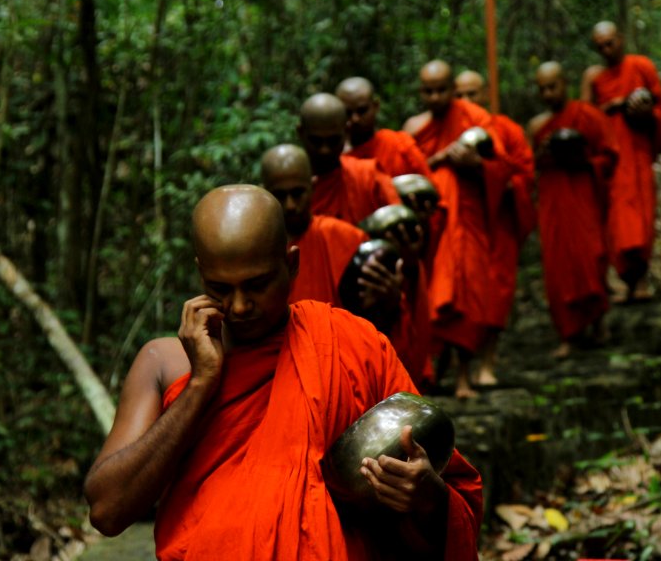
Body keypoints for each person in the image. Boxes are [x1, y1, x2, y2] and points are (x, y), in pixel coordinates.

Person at [83, 185, 483, 560]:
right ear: (200, 272)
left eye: (256, 285)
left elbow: (448, 494)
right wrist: (202, 384)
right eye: (220, 287)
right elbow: (107, 509)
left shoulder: (348, 345)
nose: (238, 306)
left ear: (290, 264)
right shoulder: (163, 361)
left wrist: (429, 498)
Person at [403, 60, 511, 399]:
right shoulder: (414, 127)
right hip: (429, 227)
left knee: (464, 297)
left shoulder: (476, 119)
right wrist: (442, 158)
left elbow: (501, 168)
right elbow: (403, 176)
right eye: (428, 91)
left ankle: (465, 375)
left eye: (441, 90)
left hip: (467, 222)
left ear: (452, 89)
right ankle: (430, 372)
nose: (434, 97)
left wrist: (476, 165)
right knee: (426, 297)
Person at [527, 62, 618, 359]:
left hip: (582, 192)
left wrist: (583, 162)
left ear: (564, 83)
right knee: (558, 269)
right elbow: (531, 166)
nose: (548, 93)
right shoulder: (538, 126)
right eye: (542, 88)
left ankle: (599, 324)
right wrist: (543, 154)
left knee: (590, 257)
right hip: (553, 199)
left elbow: (609, 156)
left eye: (553, 85)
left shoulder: (587, 115)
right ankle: (568, 333)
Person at [454, 69, 536, 384]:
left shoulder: (507, 130)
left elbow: (524, 175)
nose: (466, 101)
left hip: (498, 222)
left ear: (485, 94)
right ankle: (462, 368)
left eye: (472, 94)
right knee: (463, 293)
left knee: (496, 295)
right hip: (465, 222)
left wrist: (487, 172)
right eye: (459, 95)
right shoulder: (450, 128)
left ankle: (487, 362)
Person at [261, 144, 401, 319]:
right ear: (265, 193)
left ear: (312, 186)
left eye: (297, 193)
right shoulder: (254, 250)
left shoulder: (347, 238)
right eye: (280, 195)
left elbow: (374, 316)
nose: (290, 205)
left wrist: (390, 300)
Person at [581, 21, 661, 301]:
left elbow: (658, 105)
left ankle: (642, 279)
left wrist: (644, 112)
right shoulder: (596, 78)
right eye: (601, 46)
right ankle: (627, 282)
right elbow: (586, 117)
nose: (607, 49)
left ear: (621, 38)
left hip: (638, 150)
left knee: (641, 218)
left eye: (611, 42)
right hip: (613, 157)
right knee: (619, 222)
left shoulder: (641, 66)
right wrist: (613, 106)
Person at [297, 92, 401, 224]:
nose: (325, 150)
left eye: (333, 140)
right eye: (316, 141)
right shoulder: (289, 189)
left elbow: (399, 221)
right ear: (301, 133)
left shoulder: (368, 176)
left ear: (346, 131)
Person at [336, 76, 433, 178]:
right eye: (348, 113)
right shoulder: (335, 157)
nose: (355, 119)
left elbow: (428, 185)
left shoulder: (399, 144)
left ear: (375, 106)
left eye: (362, 111)